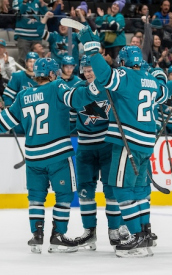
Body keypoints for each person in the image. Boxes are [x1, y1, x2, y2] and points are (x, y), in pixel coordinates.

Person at [0, 57, 97, 254]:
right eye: (54, 72)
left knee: (36, 198)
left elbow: (5, 120)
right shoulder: (57, 86)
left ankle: (36, 235)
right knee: (64, 195)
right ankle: (58, 236)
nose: (57, 75)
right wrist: (92, 87)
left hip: (33, 157)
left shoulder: (23, 95)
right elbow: (76, 99)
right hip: (57, 154)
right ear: (50, 74)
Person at [78, 25, 168, 257]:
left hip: (127, 142)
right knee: (139, 189)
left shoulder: (125, 75)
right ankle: (145, 234)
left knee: (121, 189)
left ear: (124, 62)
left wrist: (92, 50)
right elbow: (165, 93)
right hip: (147, 143)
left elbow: (106, 76)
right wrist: (163, 75)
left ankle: (137, 237)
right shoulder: (150, 79)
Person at [70, 55, 123, 250]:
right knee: (85, 192)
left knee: (111, 190)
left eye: (91, 68)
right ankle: (89, 232)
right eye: (84, 69)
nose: (87, 72)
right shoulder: (77, 90)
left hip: (107, 145)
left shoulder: (110, 87)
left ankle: (114, 230)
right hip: (84, 147)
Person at [2, 51, 38, 133]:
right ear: (26, 62)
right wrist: (10, 111)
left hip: (37, 118)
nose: (32, 64)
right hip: (19, 116)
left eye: (35, 62)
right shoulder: (17, 76)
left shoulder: (43, 79)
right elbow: (8, 96)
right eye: (30, 61)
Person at [12, 0, 48, 65]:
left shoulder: (38, 1)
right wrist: (24, 3)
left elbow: (46, 15)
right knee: (23, 60)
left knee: (38, 59)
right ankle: (22, 75)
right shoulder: (17, 1)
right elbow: (17, 15)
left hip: (36, 36)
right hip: (23, 35)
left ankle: (37, 74)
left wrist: (43, 6)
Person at [57, 55, 81, 133]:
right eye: (67, 67)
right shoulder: (56, 81)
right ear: (62, 67)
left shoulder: (79, 81)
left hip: (74, 119)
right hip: (59, 116)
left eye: (71, 67)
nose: (69, 70)